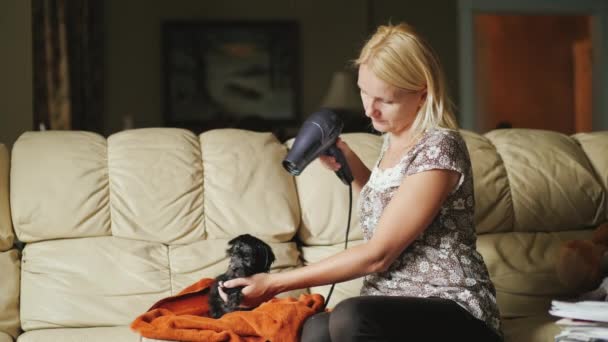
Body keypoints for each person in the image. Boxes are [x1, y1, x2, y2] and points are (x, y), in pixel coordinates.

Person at [219, 22, 503, 342]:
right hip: (391, 301)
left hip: (450, 308)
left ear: (422, 93)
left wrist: (275, 282)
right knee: (315, 329)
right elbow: (393, 211)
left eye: (385, 100)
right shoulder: (394, 139)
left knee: (351, 317)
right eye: (364, 92)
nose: (370, 110)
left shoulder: (439, 147)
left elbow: (378, 254)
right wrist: (350, 164)